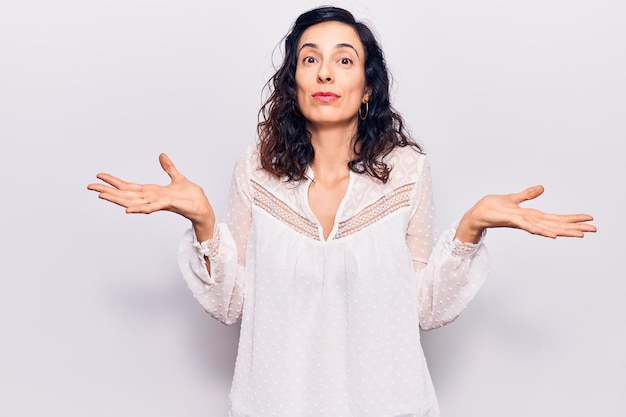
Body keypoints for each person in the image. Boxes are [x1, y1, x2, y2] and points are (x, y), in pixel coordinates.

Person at [87, 6, 596, 417]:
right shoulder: (254, 171)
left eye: (344, 60)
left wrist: (470, 227)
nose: (325, 71)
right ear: (293, 83)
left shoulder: (407, 173)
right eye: (309, 59)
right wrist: (202, 222)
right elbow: (230, 306)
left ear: (368, 88)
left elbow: (424, 308)